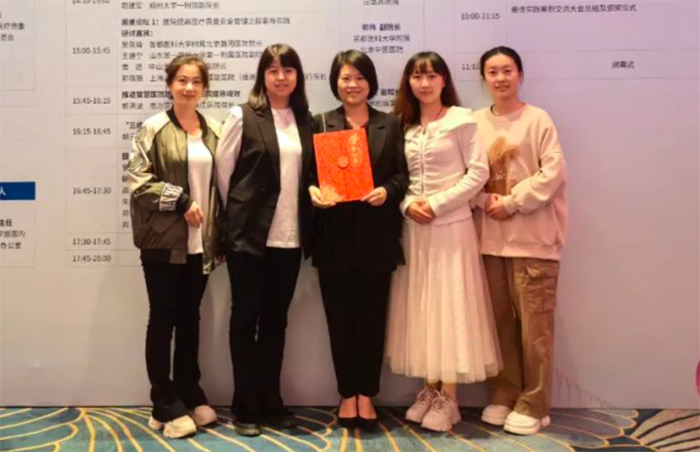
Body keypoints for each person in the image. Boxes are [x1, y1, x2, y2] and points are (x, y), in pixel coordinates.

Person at [385, 51, 501, 432]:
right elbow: (396, 177)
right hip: (415, 229)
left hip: (451, 226)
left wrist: (436, 204)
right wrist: (407, 205)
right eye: (417, 77)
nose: (424, 83)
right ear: (408, 82)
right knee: (423, 307)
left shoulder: (461, 120)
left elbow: (478, 173)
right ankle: (430, 389)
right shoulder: (403, 125)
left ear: (444, 80)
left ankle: (450, 397)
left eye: (432, 76)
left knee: (450, 304)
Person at [216, 43, 314, 437]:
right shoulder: (243, 115)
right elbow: (224, 175)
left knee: (275, 323)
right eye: (272, 70)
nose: (281, 77)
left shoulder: (304, 119)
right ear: (262, 76)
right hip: (249, 237)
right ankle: (245, 405)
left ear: (297, 76)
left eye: (288, 69)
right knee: (245, 320)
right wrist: (236, 223)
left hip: (289, 238)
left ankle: (271, 401)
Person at [308, 49, 408, 431]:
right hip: (332, 239)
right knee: (339, 321)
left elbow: (402, 176)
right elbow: (308, 176)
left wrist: (387, 191)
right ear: (336, 82)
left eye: (360, 77)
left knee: (371, 320)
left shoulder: (390, 124)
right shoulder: (320, 123)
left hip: (376, 239)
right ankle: (346, 392)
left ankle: (367, 393)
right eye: (345, 78)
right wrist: (313, 192)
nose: (353, 85)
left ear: (371, 82)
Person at [472, 46, 568, 435]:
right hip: (488, 243)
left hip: (533, 241)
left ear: (520, 74)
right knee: (499, 325)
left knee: (535, 329)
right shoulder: (474, 122)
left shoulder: (538, 119)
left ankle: (535, 403)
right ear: (483, 78)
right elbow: (465, 173)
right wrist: (482, 200)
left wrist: (511, 202)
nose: (500, 78)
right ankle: (506, 392)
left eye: (507, 70)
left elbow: (553, 173)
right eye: (492, 71)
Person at [127, 54, 221, 439]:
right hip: (162, 242)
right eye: (182, 80)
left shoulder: (214, 130)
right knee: (163, 317)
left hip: (201, 243)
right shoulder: (153, 128)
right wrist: (181, 200)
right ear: (170, 84)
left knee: (190, 318)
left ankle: (187, 390)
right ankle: (164, 400)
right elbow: (138, 181)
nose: (188, 87)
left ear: (204, 88)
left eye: (196, 81)